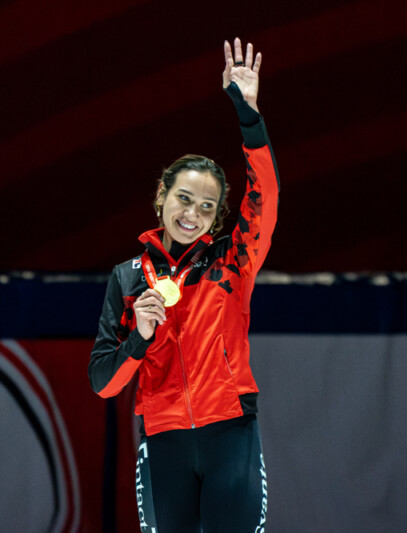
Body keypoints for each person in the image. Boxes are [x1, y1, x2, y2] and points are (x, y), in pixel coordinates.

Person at [88, 38, 277, 533]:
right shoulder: (127, 277)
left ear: (216, 220)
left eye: (207, 207)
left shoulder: (232, 260)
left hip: (230, 432)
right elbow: (104, 383)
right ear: (161, 197)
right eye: (184, 199)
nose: (192, 215)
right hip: (164, 438)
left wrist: (249, 116)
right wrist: (140, 338)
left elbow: (266, 197)